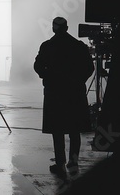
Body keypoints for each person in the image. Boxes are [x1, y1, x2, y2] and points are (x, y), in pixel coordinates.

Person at [34, 17, 94, 178]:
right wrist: (78, 80)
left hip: (55, 93)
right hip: (74, 93)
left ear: (53, 28)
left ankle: (60, 162)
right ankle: (73, 161)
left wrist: (48, 77)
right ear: (67, 28)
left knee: (57, 129)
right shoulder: (78, 46)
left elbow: (38, 66)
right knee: (74, 129)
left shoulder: (47, 46)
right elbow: (89, 67)